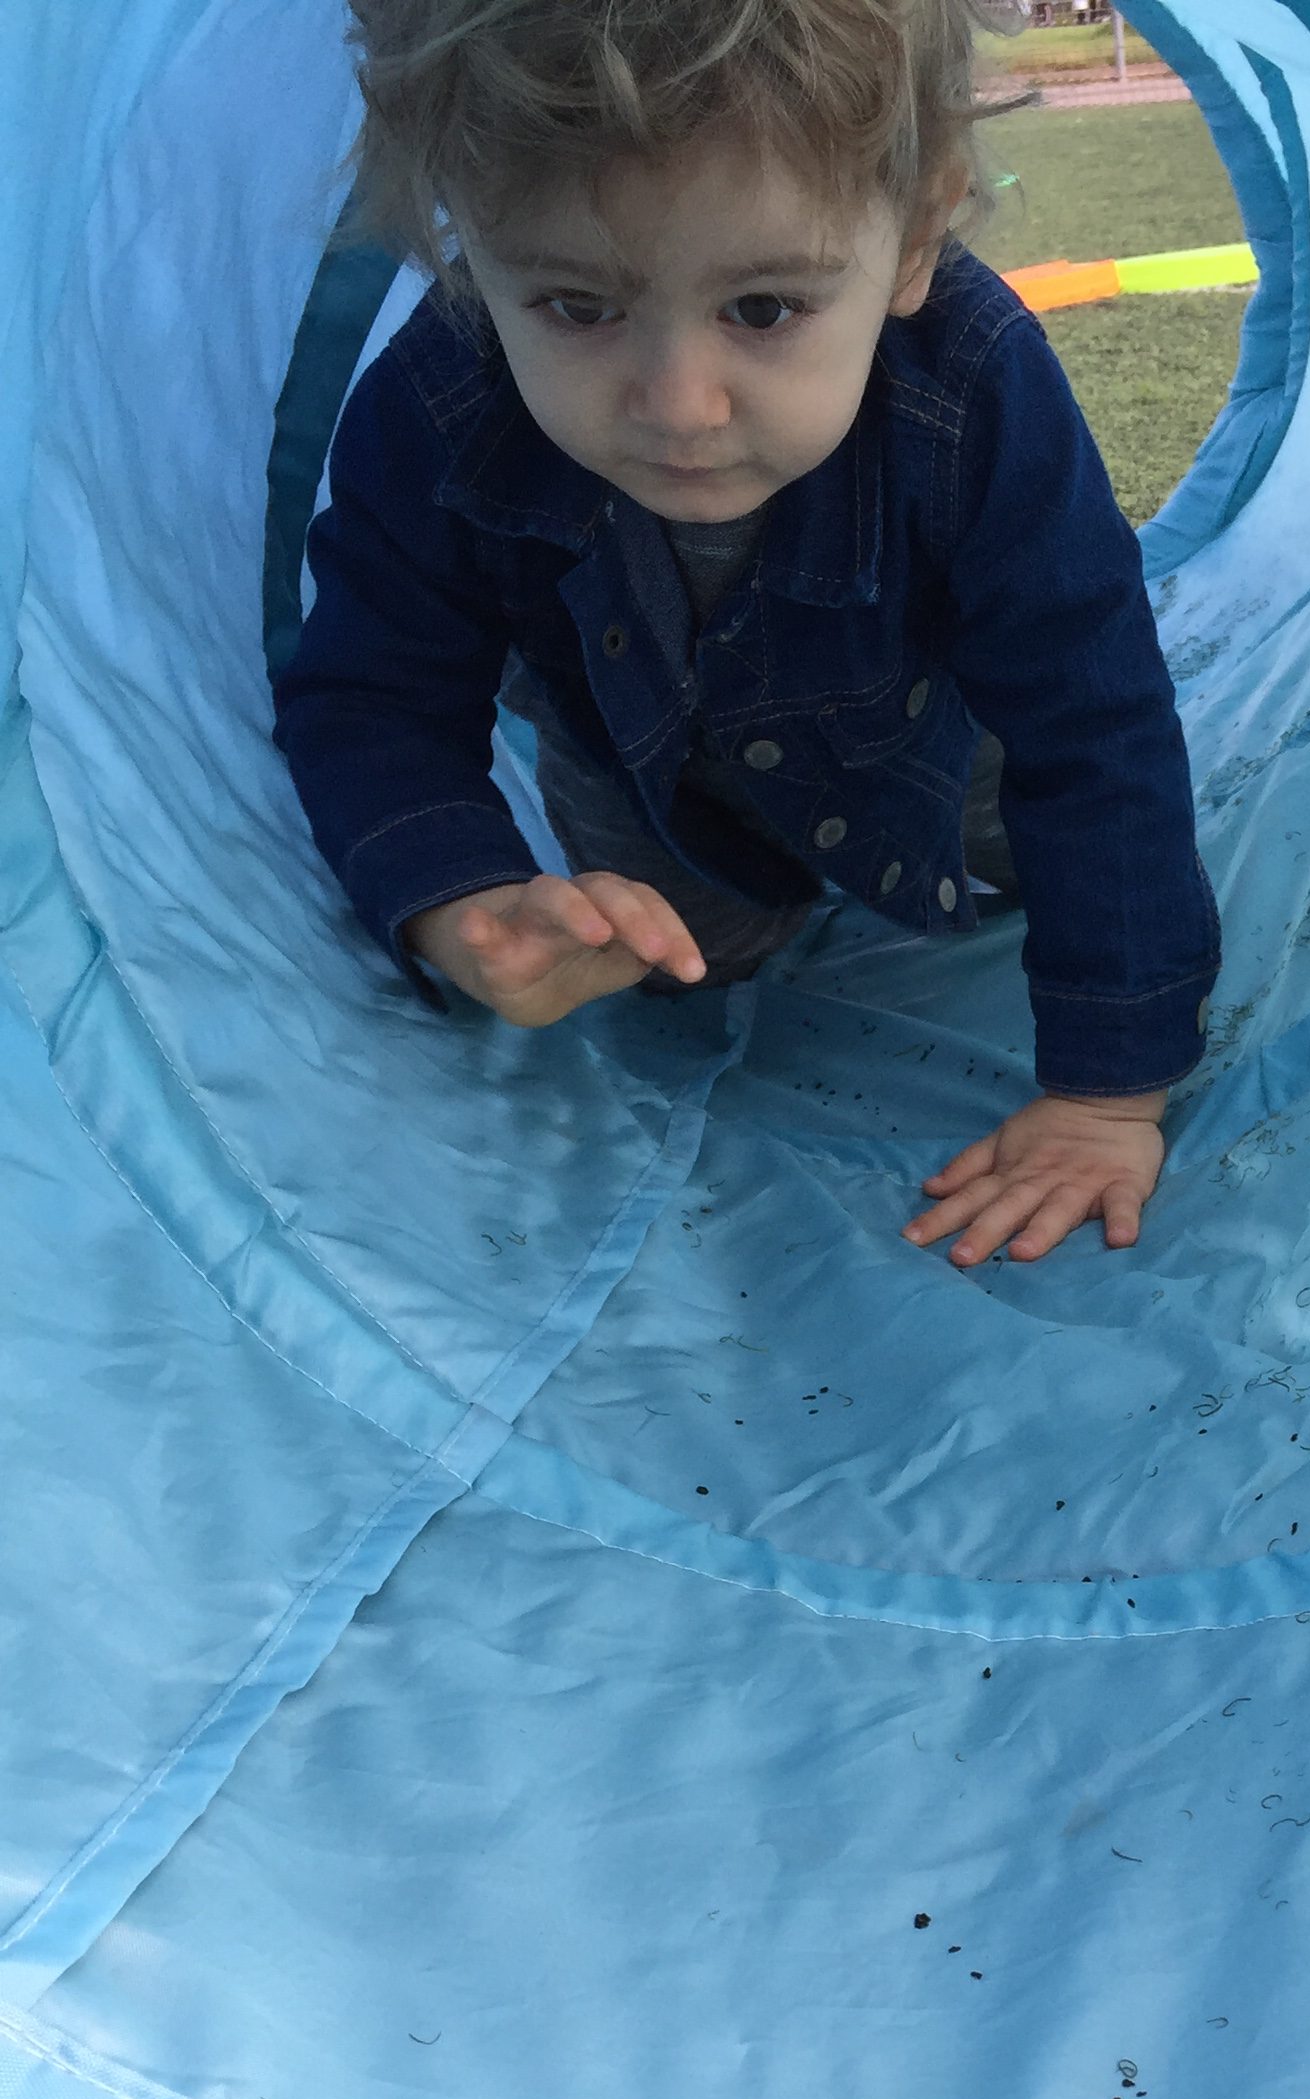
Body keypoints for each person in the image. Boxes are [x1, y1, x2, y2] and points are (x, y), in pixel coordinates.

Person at [275, 0, 1220, 1267]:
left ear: (915, 234)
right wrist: (457, 892)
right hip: (647, 787)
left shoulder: (976, 383)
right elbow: (371, 692)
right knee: (679, 975)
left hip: (938, 743)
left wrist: (1109, 1093)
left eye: (764, 310)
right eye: (576, 306)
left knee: (1029, 861)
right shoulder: (437, 401)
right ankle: (731, 913)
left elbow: (1092, 717)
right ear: (465, 242)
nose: (679, 406)